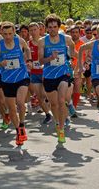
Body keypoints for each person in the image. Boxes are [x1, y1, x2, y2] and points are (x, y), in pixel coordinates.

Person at [0, 21, 31, 146]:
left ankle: (22, 124)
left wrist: (28, 60)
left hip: (22, 76)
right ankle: (18, 130)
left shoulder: (19, 41)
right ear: (1, 34)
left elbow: (27, 49)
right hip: (7, 80)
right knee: (12, 109)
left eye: (10, 33)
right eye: (5, 34)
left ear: (14, 32)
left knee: (20, 102)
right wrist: (0, 63)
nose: (8, 37)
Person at [38, 14, 76, 143]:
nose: (53, 29)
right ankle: (57, 121)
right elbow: (40, 60)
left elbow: (73, 48)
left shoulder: (66, 39)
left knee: (61, 100)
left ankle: (61, 128)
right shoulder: (42, 41)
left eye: (55, 27)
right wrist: (50, 58)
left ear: (59, 27)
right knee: (53, 104)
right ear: (46, 28)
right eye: (50, 27)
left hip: (63, 73)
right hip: (49, 75)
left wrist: (73, 56)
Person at [28, 22, 52, 124]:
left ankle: (53, 107)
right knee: (39, 96)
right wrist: (28, 63)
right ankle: (48, 114)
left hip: (46, 72)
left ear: (39, 30)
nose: (33, 32)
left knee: (47, 94)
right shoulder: (28, 44)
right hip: (34, 73)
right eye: (31, 30)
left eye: (35, 29)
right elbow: (26, 58)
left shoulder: (45, 41)